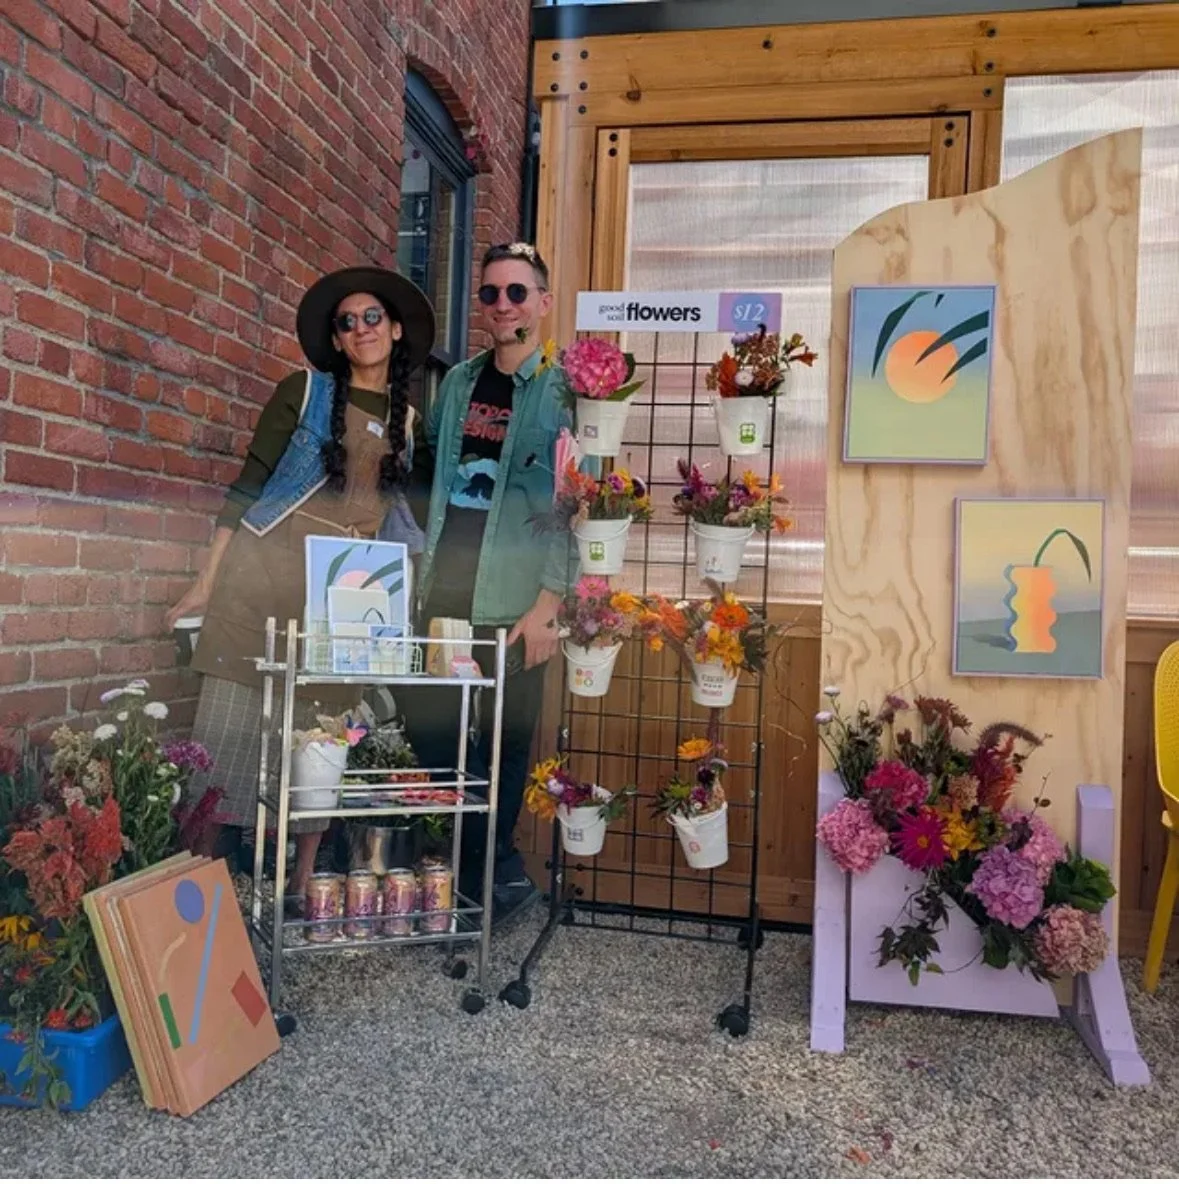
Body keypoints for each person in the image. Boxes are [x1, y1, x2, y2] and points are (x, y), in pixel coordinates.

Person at [165, 266, 435, 903]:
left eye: (373, 317)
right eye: (347, 322)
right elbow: (247, 488)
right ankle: (197, 902)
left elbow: (395, 525)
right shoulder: (304, 392)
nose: (361, 328)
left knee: (319, 748)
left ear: (395, 331)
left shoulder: (411, 423)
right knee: (224, 747)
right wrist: (204, 585)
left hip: (337, 603)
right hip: (257, 587)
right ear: (337, 341)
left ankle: (301, 889)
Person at [403, 241, 575, 921]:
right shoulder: (458, 385)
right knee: (436, 738)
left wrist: (549, 605)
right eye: (490, 294)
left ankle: (484, 884)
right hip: (444, 598)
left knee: (503, 745)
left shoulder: (564, 392)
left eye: (516, 292)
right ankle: (470, 873)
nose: (502, 305)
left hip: (513, 605)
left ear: (542, 302)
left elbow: (575, 505)